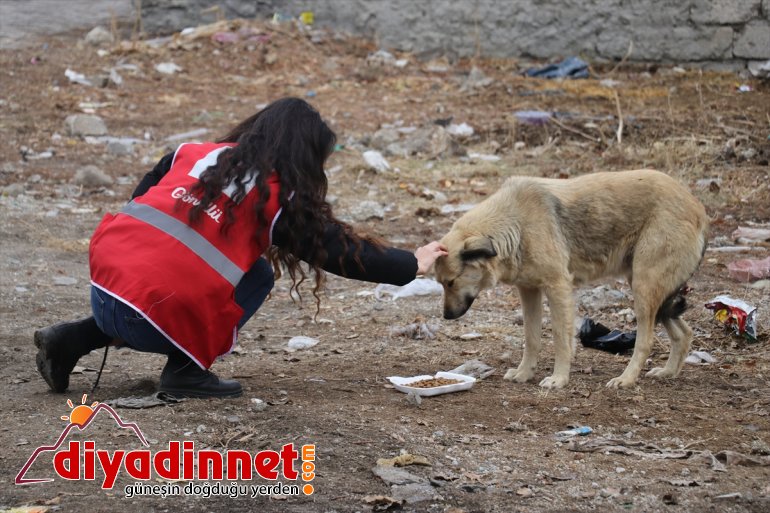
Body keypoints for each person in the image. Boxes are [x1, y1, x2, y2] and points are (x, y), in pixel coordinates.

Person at [34, 97, 447, 399]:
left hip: (103, 292)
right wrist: (411, 263)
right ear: (304, 158)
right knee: (258, 274)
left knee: (162, 278)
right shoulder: (276, 197)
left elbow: (141, 202)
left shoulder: (192, 153)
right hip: (147, 319)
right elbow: (340, 251)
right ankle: (186, 371)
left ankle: (71, 338)